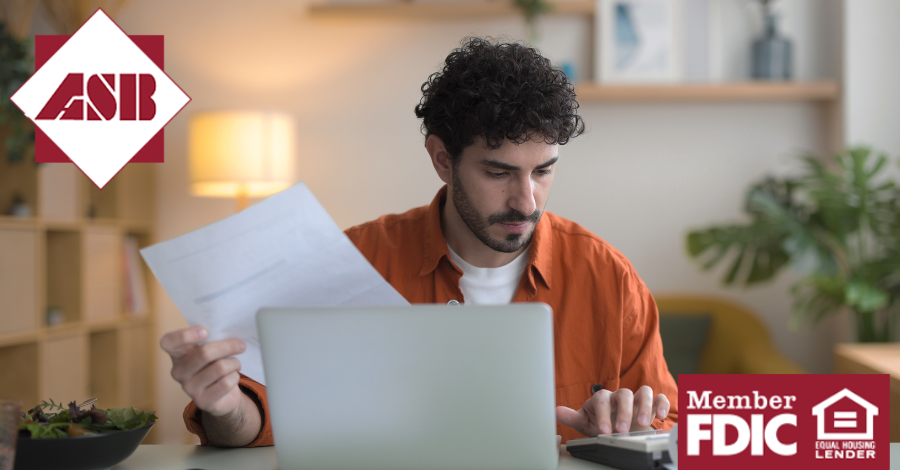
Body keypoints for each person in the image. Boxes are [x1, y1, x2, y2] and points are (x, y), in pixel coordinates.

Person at [161, 37, 678, 447]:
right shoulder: (352, 262)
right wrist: (225, 405)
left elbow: (671, 425)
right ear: (440, 158)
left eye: (543, 171)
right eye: (499, 172)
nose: (526, 201)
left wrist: (633, 429)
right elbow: (262, 423)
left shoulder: (607, 276)